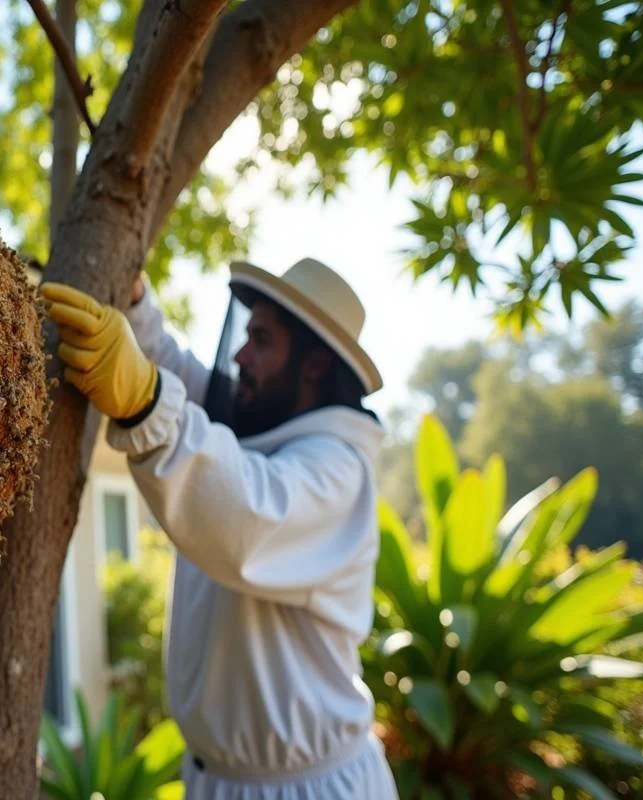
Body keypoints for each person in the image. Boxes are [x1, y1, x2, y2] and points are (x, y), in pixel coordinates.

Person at [41, 258, 398, 799]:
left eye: (261, 340)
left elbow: (246, 515)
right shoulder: (258, 423)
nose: (239, 355)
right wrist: (132, 295)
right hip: (217, 781)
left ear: (314, 365)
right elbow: (173, 374)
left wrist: (146, 404)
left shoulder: (337, 470)